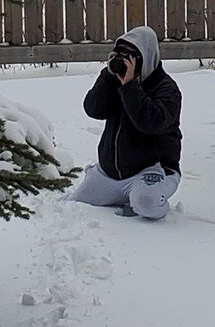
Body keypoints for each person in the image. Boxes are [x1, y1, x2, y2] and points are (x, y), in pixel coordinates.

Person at [70, 25, 182, 220]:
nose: (124, 62)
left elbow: (150, 123)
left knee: (147, 204)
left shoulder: (166, 89)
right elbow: (92, 110)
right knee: (75, 204)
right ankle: (106, 183)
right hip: (110, 173)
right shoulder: (115, 82)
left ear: (145, 57)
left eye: (130, 56)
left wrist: (130, 87)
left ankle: (151, 200)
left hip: (152, 170)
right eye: (119, 55)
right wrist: (107, 75)